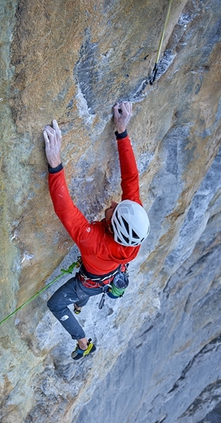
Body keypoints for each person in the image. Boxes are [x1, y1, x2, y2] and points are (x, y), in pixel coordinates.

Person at [43, 101, 150, 360]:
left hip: (90, 281)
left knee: (55, 303)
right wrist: (122, 131)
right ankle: (80, 306)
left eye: (113, 210)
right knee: (86, 291)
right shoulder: (132, 228)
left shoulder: (95, 243)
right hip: (107, 276)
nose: (114, 203)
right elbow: (131, 179)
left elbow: (65, 209)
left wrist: (55, 163)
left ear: (113, 229)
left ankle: (83, 343)